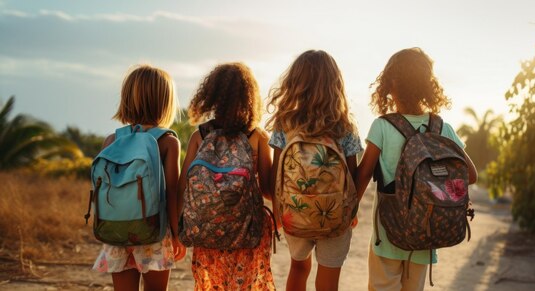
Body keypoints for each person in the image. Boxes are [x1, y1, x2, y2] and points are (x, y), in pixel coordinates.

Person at [356, 47, 478, 291]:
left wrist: (349, 212)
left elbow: (363, 176)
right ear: (427, 85)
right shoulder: (442, 127)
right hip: (426, 234)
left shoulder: (382, 126)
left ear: (390, 85)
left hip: (388, 234)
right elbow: (471, 175)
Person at [266, 50, 362, 291]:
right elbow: (352, 176)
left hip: (295, 210)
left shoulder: (284, 123)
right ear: (335, 84)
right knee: (329, 275)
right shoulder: (345, 125)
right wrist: (351, 210)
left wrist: (279, 209)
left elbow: (277, 174)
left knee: (298, 267)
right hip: (334, 213)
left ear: (295, 83)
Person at [178, 62, 276, 290]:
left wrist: (178, 230)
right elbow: (269, 190)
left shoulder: (200, 136)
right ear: (250, 96)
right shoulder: (257, 137)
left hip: (207, 231)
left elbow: (184, 186)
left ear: (212, 95)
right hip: (247, 232)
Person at [92, 64, 186, 291]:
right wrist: (177, 235)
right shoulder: (167, 141)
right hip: (153, 231)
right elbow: (172, 192)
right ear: (165, 102)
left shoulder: (111, 141)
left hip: (117, 231)